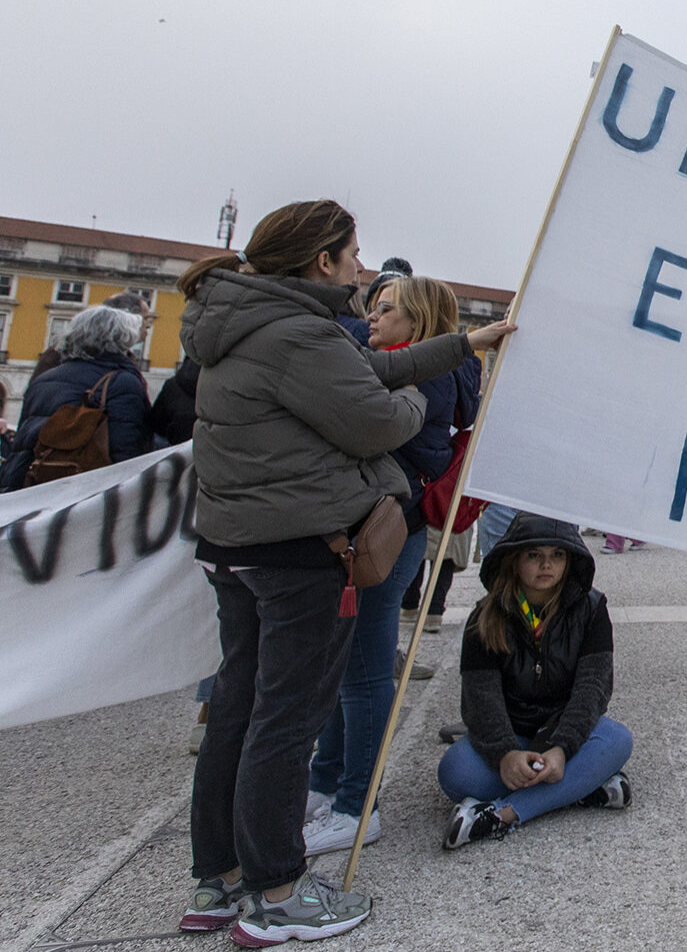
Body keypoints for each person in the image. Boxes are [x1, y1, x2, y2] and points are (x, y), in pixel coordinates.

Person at [175, 200, 514, 944]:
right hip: (301, 548)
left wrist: (463, 343)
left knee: (237, 705)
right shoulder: (299, 333)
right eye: (355, 254)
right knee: (285, 718)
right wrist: (424, 402)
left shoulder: (252, 319)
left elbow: (374, 364)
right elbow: (378, 415)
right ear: (321, 260)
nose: (364, 268)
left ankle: (221, 878)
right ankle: (278, 892)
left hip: (238, 543)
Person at [303, 276, 484, 858]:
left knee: (365, 670)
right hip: (390, 527)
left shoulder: (421, 375)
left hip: (385, 528)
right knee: (349, 664)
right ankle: (328, 781)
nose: (372, 318)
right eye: (372, 308)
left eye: (386, 310)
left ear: (420, 323)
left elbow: (374, 432)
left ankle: (359, 806)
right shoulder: (426, 369)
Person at [438, 515, 633, 847]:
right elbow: (480, 699)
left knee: (617, 740)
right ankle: (582, 787)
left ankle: (500, 815)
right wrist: (505, 754)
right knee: (455, 771)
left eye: (557, 555)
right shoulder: (484, 617)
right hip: (513, 735)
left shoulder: (592, 609)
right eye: (533, 555)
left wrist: (562, 748)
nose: (547, 564)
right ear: (514, 560)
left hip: (566, 738)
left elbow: (593, 689)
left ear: (570, 559)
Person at [1, 304, 154, 490]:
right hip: (87, 491)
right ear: (122, 339)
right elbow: (126, 451)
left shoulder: (44, 379)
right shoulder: (123, 382)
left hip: (35, 485)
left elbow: (22, 445)